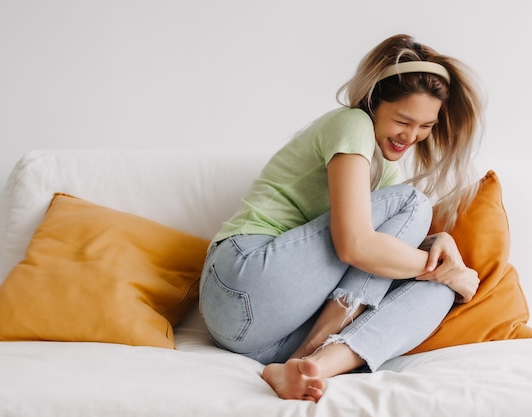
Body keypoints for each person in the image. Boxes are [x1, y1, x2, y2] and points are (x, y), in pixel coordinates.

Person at [199, 33, 484, 402]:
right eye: (403, 120)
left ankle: (310, 365)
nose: (411, 135)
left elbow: (376, 247)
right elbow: (355, 245)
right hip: (243, 278)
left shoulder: (385, 172)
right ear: (374, 102)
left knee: (437, 290)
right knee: (414, 205)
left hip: (274, 338)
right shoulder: (352, 124)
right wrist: (446, 267)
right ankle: (313, 352)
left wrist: (437, 246)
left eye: (426, 126)